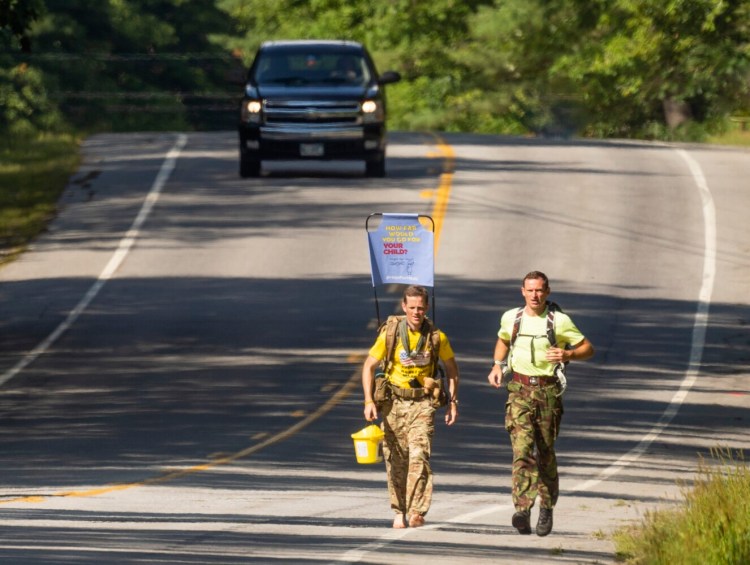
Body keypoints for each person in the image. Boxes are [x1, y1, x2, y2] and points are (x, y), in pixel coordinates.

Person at [487, 271, 594, 537]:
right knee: (522, 449)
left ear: (547, 292)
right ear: (522, 291)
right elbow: (503, 340)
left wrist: (568, 353)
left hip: (547, 393)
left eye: (539, 291)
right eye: (530, 290)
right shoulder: (512, 318)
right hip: (519, 391)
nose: (535, 295)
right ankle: (522, 510)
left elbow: (587, 348)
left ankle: (546, 507)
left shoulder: (559, 321)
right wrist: (498, 365)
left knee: (544, 453)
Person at [362, 285, 460, 529]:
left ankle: (416, 510)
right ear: (404, 307)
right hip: (393, 403)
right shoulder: (391, 333)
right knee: (396, 459)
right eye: (412, 307)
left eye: (421, 308)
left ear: (427, 308)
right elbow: (368, 367)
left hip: (423, 404)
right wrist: (368, 401)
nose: (417, 312)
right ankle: (399, 511)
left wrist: (453, 402)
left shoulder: (437, 336)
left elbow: (451, 369)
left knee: (419, 455)